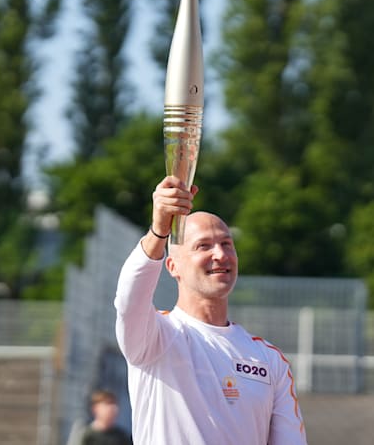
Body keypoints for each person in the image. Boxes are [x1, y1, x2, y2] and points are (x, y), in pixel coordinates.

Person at [114, 176, 307, 445]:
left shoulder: (269, 360)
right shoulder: (155, 338)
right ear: (172, 267)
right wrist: (159, 230)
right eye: (203, 246)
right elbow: (128, 299)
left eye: (227, 244)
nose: (220, 254)